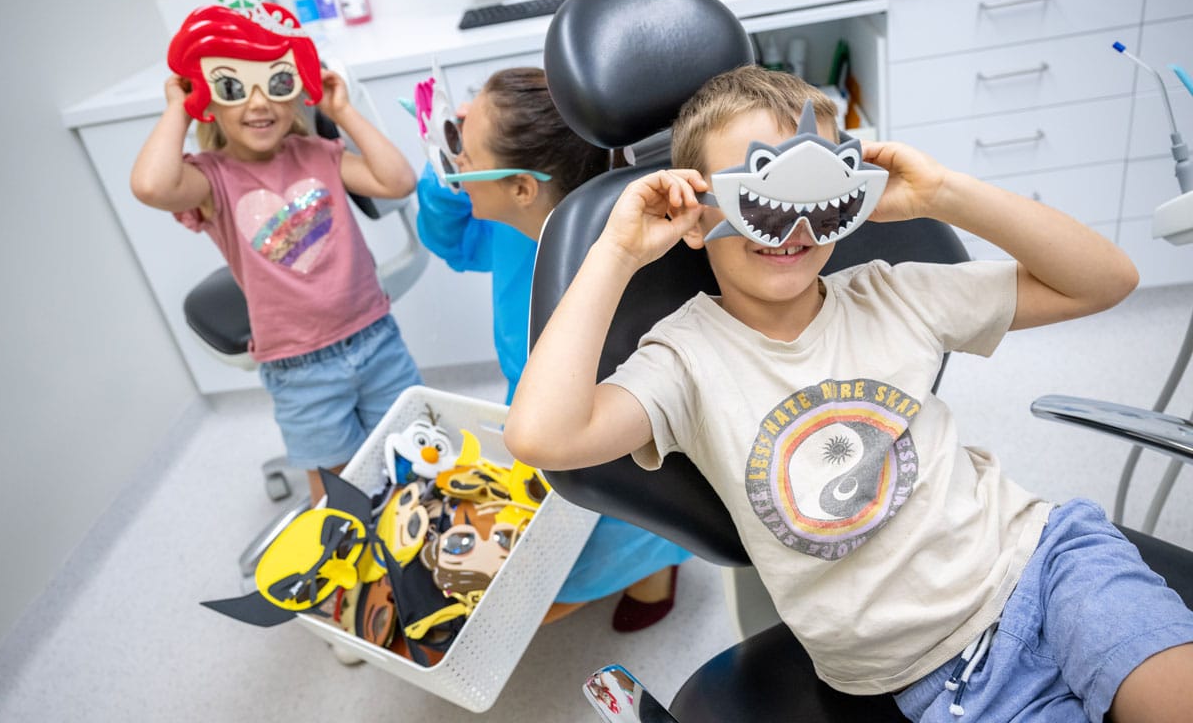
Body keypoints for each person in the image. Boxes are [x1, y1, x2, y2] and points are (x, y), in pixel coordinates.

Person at [505, 65, 1193, 721]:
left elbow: (1106, 280)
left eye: (816, 195)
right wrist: (617, 251)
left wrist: (943, 194)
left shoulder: (893, 292)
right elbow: (544, 437)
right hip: (933, 668)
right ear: (695, 212)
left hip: (1047, 562)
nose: (791, 227)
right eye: (758, 199)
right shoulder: (685, 358)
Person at [415, 66, 690, 631]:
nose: (457, 170)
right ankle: (647, 563)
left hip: (611, 418)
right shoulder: (508, 223)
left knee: (622, 520)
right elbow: (452, 240)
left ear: (520, 186)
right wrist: (443, 163)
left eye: (464, 158)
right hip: (535, 399)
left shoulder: (615, 253)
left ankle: (655, 564)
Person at [131, 1, 422, 505]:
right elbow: (153, 186)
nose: (260, 104)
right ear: (209, 99)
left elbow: (397, 181)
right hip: (299, 366)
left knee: (414, 461)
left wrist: (341, 111)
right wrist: (177, 106)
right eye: (234, 89)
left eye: (278, 85)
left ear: (297, 92)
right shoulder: (210, 179)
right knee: (339, 496)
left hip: (377, 338)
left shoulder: (319, 154)